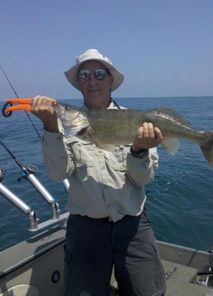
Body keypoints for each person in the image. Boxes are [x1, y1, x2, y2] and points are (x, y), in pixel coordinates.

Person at [31, 49, 166, 296]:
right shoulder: (63, 127)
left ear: (110, 79)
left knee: (148, 292)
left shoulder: (138, 121)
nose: (92, 81)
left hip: (133, 225)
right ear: (78, 83)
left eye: (99, 74)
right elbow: (57, 173)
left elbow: (143, 178)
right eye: (84, 75)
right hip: (85, 230)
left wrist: (138, 150)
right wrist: (51, 127)